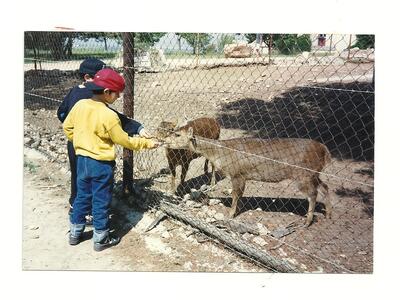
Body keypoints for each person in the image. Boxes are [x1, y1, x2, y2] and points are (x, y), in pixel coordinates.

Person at [63, 68, 160, 251]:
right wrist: (146, 144)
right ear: (107, 92)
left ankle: (75, 233)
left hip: (82, 160)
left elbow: (68, 128)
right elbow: (122, 140)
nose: (118, 97)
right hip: (100, 164)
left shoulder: (80, 105)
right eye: (117, 94)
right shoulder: (109, 115)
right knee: (100, 200)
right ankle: (101, 238)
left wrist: (81, 141)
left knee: (82, 196)